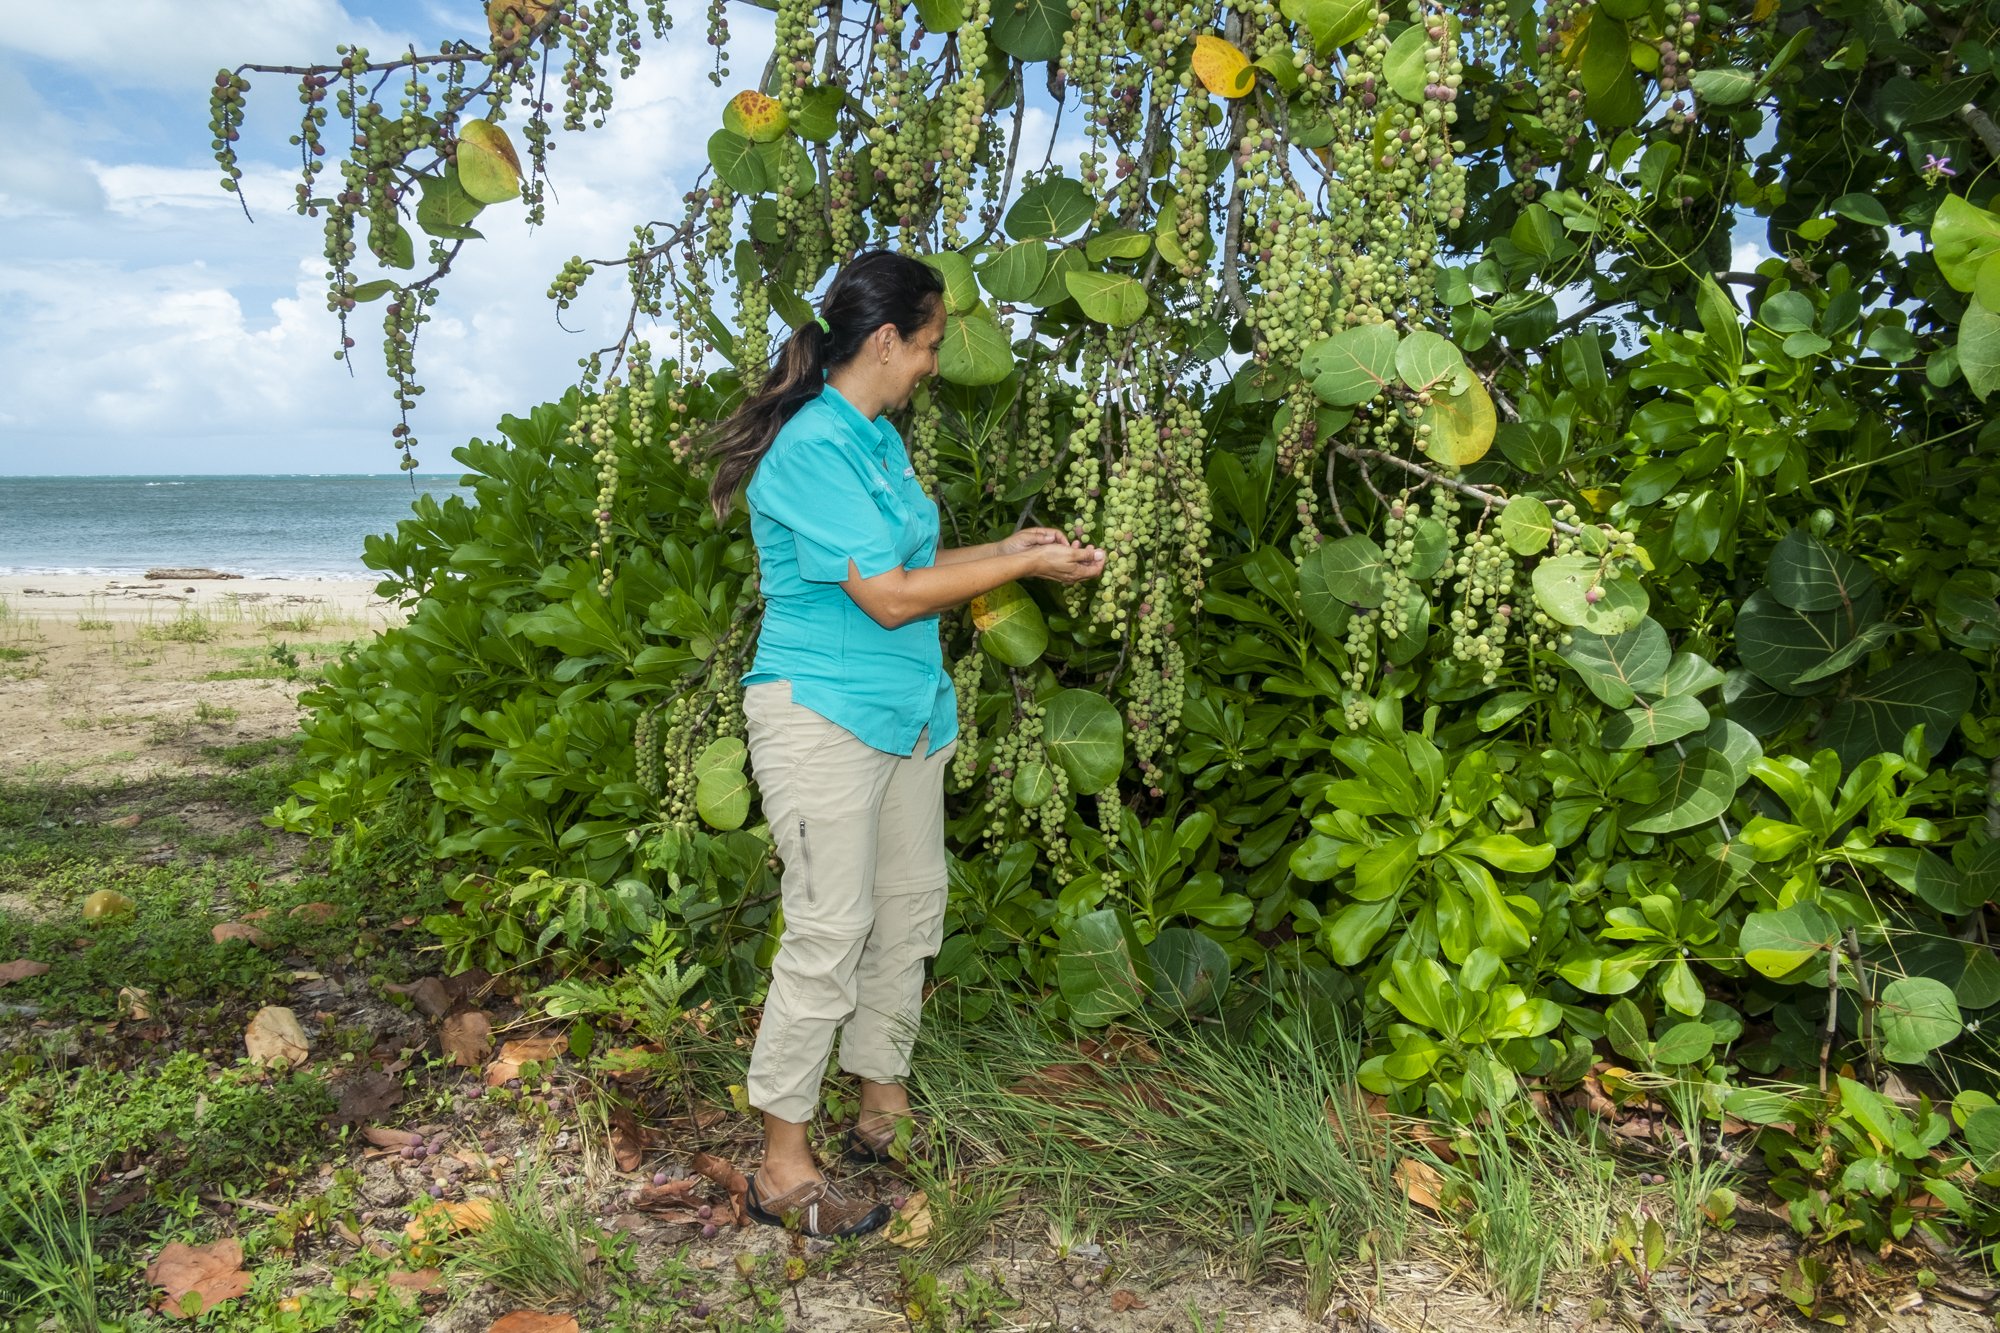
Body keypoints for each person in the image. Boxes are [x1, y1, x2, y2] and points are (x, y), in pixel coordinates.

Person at [705, 250, 1106, 1237]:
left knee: (906, 914)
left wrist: (1015, 555)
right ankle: (780, 1163)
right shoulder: (812, 449)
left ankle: (880, 1111)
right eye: (926, 346)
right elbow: (885, 597)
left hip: (906, 714)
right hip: (822, 716)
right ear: (885, 342)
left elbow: (912, 564)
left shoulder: (875, 440)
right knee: (830, 928)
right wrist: (1006, 568)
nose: (932, 364)